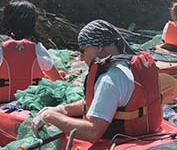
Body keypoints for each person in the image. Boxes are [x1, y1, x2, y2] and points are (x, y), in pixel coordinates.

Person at [30, 20, 162, 142]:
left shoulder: (109, 79)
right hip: (145, 131)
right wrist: (63, 110)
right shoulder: (129, 67)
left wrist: (49, 117)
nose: (81, 58)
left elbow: (92, 132)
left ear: (99, 48)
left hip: (122, 142)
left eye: (83, 50)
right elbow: (102, 103)